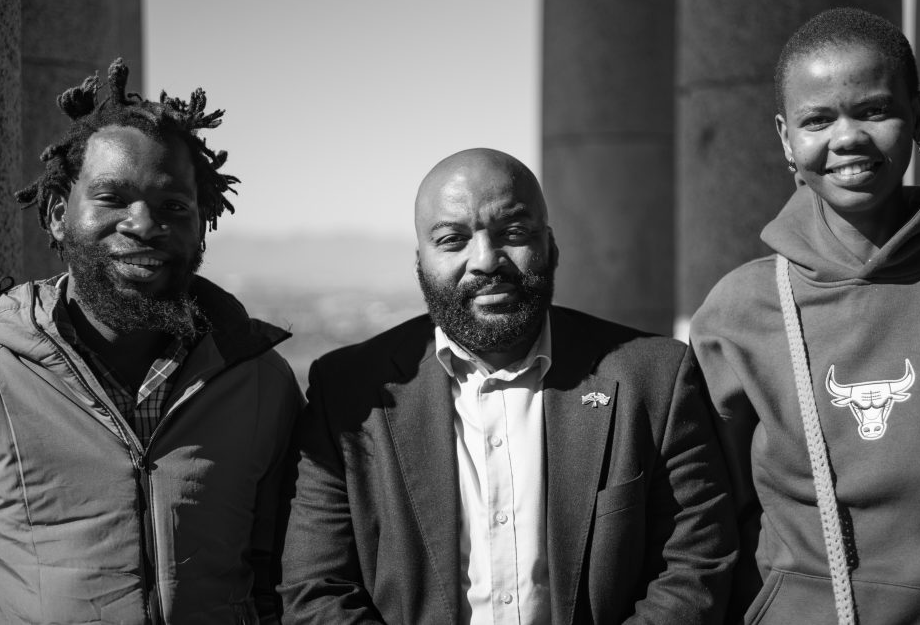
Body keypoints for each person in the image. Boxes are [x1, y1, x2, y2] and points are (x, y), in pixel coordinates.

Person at [279, 147, 737, 624]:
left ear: (551, 246)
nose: (485, 260)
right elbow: (316, 589)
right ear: (420, 262)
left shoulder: (654, 377)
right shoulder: (347, 393)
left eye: (513, 233)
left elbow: (694, 565)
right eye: (452, 239)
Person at [691, 7, 920, 623]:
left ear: (918, 115)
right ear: (786, 139)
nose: (847, 138)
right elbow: (706, 519)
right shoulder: (737, 312)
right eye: (818, 120)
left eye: (874, 110)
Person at [0, 58, 302, 624]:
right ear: (58, 213)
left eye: (173, 207)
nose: (143, 224)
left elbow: (282, 575)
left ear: (202, 224)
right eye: (112, 198)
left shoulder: (259, 381)